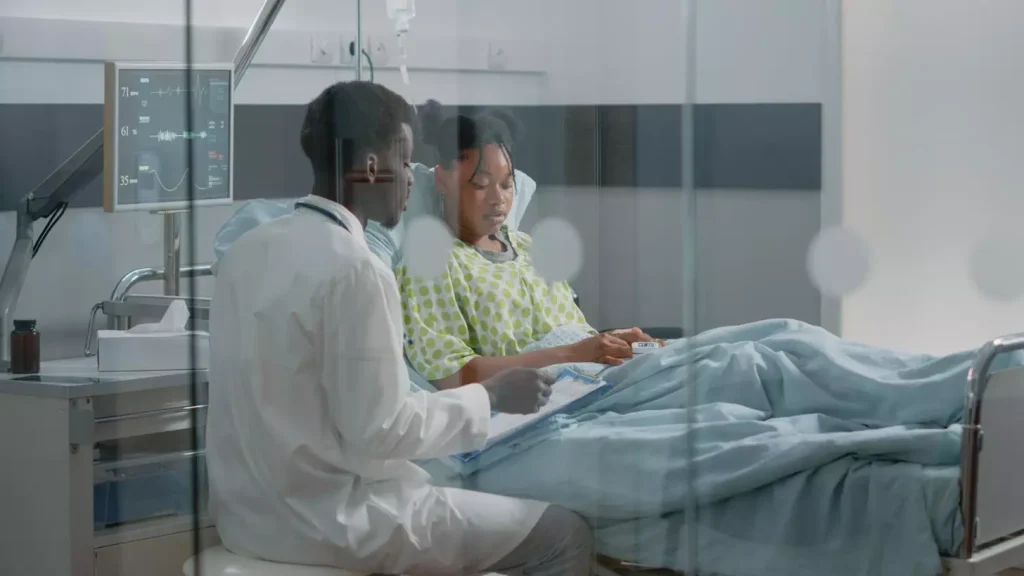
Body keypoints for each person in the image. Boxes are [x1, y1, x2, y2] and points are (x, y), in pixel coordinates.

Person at [206, 81, 594, 575]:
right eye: (405, 162)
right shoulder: (358, 270)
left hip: (246, 520)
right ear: (372, 167)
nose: (413, 181)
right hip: (334, 522)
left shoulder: (245, 252)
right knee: (563, 533)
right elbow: (382, 431)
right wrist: (492, 396)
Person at [398, 107, 658, 389]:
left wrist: (613, 342)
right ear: (441, 180)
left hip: (596, 374)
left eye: (507, 184)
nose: (498, 199)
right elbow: (451, 374)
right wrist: (572, 354)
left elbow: (574, 335)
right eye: (481, 184)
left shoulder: (527, 246)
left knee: (688, 355)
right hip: (545, 393)